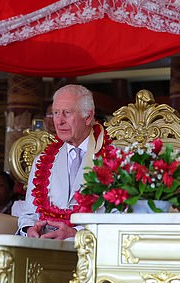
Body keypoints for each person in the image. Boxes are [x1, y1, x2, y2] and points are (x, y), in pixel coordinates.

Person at [14, 84, 110, 240]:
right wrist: (29, 229)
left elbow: (119, 215)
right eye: (56, 113)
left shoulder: (113, 158)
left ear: (88, 117)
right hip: (45, 243)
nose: (59, 121)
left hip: (90, 246)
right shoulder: (42, 160)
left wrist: (77, 233)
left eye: (67, 113)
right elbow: (29, 214)